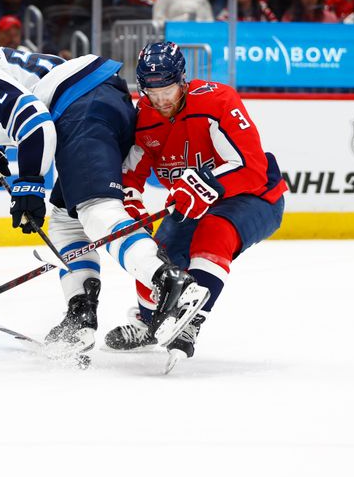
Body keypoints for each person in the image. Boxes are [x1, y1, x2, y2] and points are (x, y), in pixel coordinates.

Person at [0, 49, 210, 357]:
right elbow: (15, 94)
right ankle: (81, 312)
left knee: (96, 209)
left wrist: (30, 186)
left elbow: (34, 121)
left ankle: (169, 280)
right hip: (97, 98)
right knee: (66, 222)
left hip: (82, 107)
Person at [104, 42, 287, 369]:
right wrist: (133, 207)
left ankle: (190, 324)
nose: (161, 101)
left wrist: (206, 184)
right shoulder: (145, 117)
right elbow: (131, 175)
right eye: (152, 92)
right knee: (154, 257)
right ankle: (149, 324)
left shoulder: (217, 101)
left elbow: (252, 166)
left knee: (215, 232)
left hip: (255, 196)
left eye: (168, 91)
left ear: (183, 81)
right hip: (193, 203)